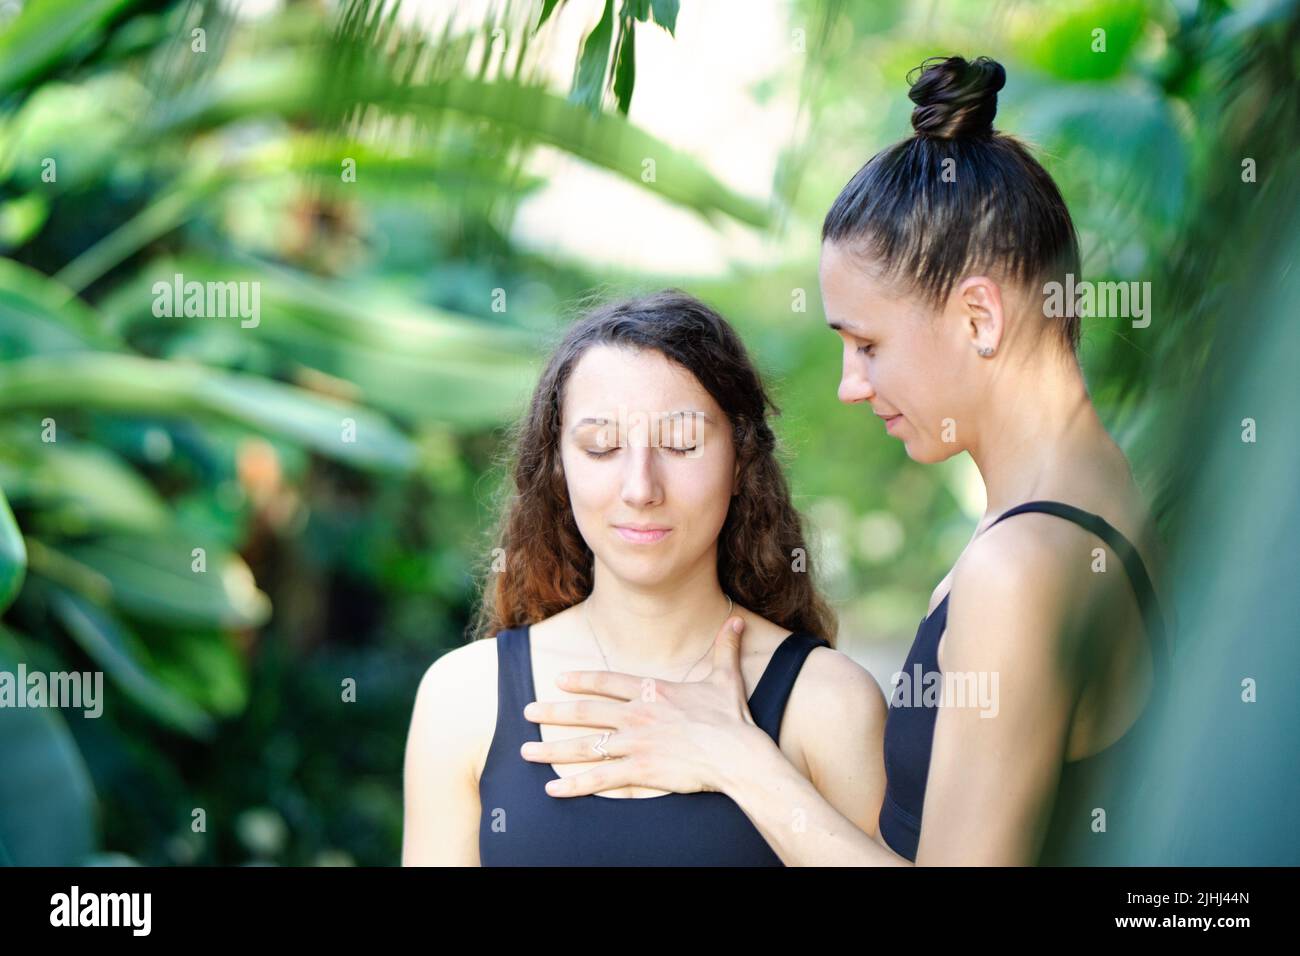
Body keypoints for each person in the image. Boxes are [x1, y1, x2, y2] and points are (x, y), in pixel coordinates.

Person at [518, 56, 1171, 866]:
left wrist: (735, 755)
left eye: (867, 344)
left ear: (978, 316)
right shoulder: (1109, 500)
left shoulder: (1020, 563)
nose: (852, 385)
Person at [402, 289, 888, 865]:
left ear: (741, 460)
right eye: (601, 447)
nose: (640, 489)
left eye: (681, 444)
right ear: (559, 468)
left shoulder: (829, 701)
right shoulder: (463, 696)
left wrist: (740, 760)